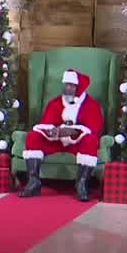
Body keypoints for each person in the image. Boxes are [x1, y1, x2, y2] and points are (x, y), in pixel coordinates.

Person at [20, 69, 103, 202]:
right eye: (66, 85)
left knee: (91, 141)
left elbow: (94, 129)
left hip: (77, 144)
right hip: (57, 142)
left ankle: (81, 183)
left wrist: (73, 131)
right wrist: (51, 131)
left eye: (72, 85)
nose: (68, 88)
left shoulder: (91, 105)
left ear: (79, 87)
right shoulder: (56, 103)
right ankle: (33, 181)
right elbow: (46, 123)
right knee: (33, 137)